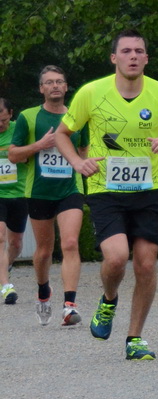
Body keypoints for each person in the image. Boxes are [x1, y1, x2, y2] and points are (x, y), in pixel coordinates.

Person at [57, 30, 158, 360]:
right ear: (114, 58)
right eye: (127, 51)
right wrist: (78, 162)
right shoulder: (92, 93)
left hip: (149, 190)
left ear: (146, 58)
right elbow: (63, 134)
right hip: (106, 188)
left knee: (146, 265)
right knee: (117, 257)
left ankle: (135, 337)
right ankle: (108, 298)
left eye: (140, 51)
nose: (133, 56)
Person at [6, 66, 88, 327]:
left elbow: (84, 151)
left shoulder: (78, 118)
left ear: (66, 87)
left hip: (70, 189)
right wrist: (39, 145)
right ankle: (43, 291)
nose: (55, 86)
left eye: (59, 82)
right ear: (41, 88)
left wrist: (84, 165)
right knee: (44, 251)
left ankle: (69, 305)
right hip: (39, 191)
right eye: (49, 82)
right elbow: (13, 154)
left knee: (71, 243)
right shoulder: (28, 117)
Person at [0, 98, 26, 308]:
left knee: (16, 243)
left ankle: (5, 267)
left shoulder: (19, 129)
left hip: (19, 193)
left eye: (2, 117)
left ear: (10, 113)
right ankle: (6, 287)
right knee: (0, 237)